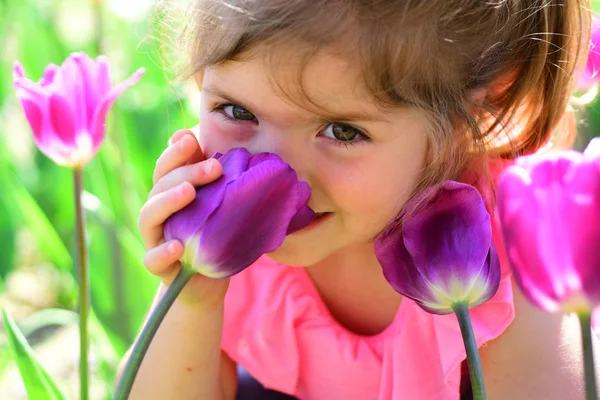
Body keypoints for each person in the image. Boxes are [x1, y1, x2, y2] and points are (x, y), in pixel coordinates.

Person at [116, 1, 594, 399]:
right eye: (235, 110)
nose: (276, 174)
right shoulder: (234, 226)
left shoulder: (493, 253)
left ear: (469, 118)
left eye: (342, 131)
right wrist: (191, 301)